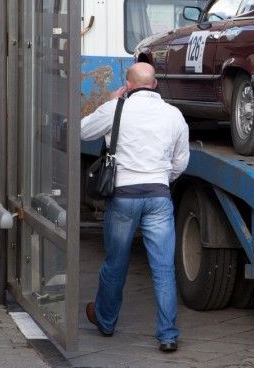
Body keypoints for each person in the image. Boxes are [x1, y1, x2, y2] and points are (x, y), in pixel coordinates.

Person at [80, 62, 189, 353]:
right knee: (164, 268)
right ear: (155, 85)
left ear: (128, 85)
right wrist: (162, 179)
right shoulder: (174, 115)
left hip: (124, 197)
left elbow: (82, 131)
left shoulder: (116, 108)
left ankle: (105, 320)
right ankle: (167, 335)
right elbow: (181, 161)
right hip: (159, 197)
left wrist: (111, 101)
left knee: (116, 263)